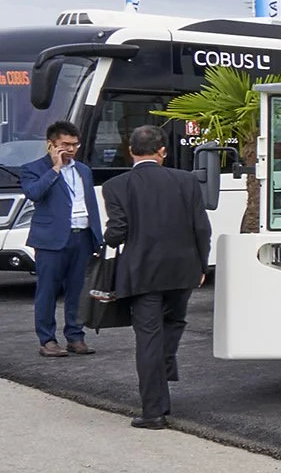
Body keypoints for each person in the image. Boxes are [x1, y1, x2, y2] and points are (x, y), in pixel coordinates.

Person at [101, 125, 211, 429]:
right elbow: (202, 227)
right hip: (183, 269)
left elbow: (116, 233)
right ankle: (163, 370)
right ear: (163, 151)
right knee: (174, 323)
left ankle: (153, 411)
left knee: (148, 338)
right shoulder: (186, 181)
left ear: (130, 151)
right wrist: (201, 266)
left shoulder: (115, 186)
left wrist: (108, 237)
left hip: (142, 272)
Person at [19, 120, 103, 356]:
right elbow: (34, 193)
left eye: (75, 144)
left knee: (77, 290)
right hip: (51, 240)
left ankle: (75, 336)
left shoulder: (83, 170)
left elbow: (91, 205)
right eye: (65, 144)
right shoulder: (33, 168)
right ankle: (47, 340)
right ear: (51, 145)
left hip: (82, 236)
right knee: (47, 291)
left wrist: (98, 237)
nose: (71, 149)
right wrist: (55, 168)